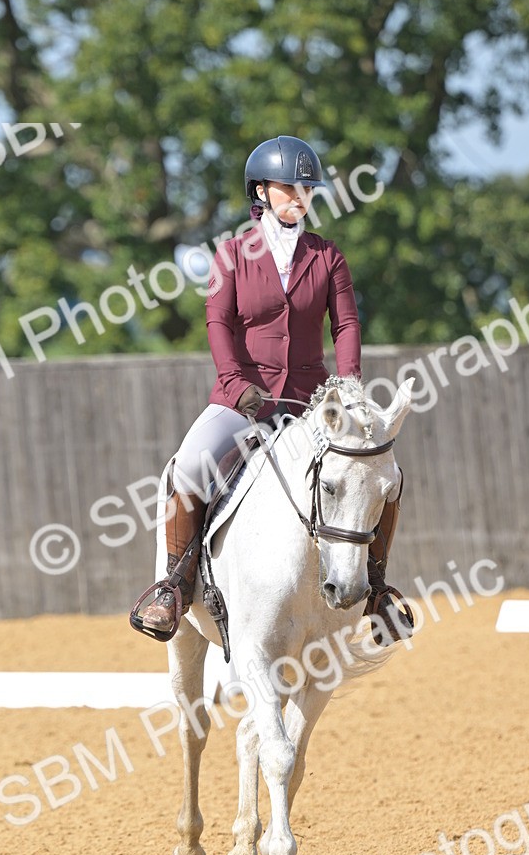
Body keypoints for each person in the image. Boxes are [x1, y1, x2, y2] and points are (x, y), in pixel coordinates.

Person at [133, 134, 411, 644]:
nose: (299, 196)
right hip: (243, 398)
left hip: (311, 401)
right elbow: (218, 324)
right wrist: (235, 382)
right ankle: (175, 584)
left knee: (381, 470)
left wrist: (348, 386)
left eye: (307, 188)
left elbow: (346, 325)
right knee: (190, 464)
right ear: (261, 190)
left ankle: (376, 590)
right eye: (288, 187)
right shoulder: (232, 254)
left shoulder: (327, 256)